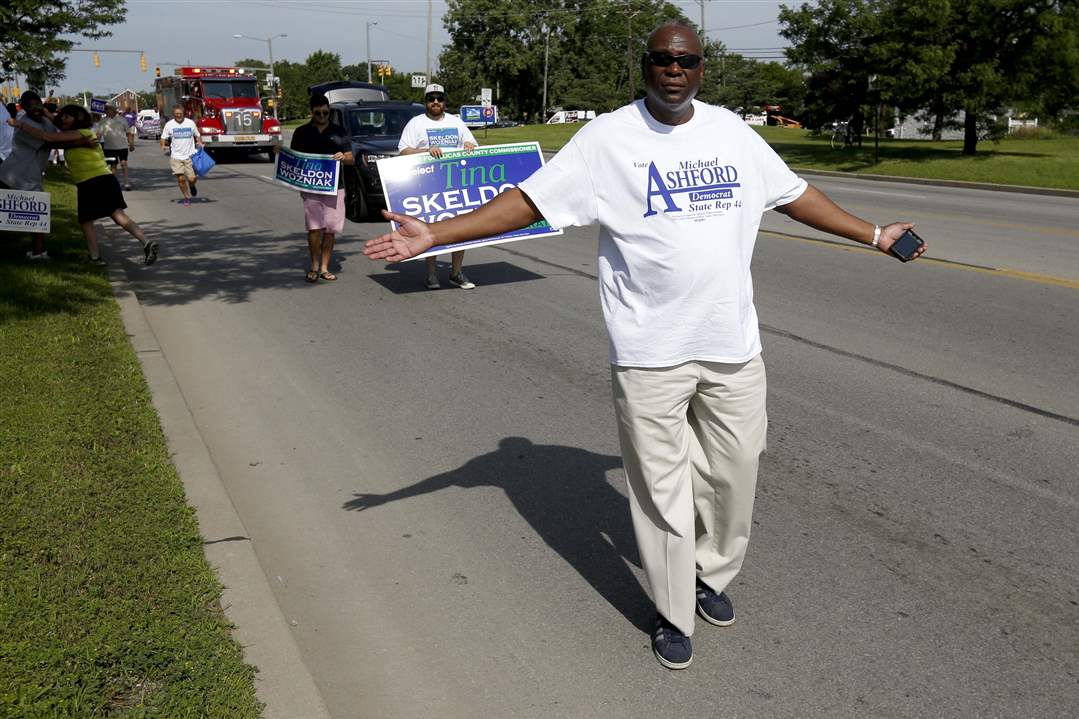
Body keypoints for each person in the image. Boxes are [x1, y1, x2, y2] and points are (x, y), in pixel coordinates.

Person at [364, 22, 927, 670]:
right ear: (645, 66)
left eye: (684, 60)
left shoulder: (730, 134)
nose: (673, 69)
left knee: (735, 472)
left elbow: (795, 196)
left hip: (730, 345)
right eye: (661, 59)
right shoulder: (607, 139)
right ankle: (671, 609)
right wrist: (433, 233)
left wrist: (876, 232)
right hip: (648, 352)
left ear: (701, 69)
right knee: (660, 491)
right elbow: (528, 203)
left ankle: (710, 572)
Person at [12, 104, 157, 265]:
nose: (63, 119)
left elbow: (49, 138)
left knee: (86, 221)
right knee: (118, 215)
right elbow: (58, 128)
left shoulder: (80, 134)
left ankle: (95, 257)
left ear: (78, 119)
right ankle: (146, 242)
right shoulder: (80, 134)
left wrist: (20, 125)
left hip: (90, 182)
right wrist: (47, 113)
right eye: (63, 116)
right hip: (105, 180)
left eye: (68, 116)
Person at [398, 83, 479, 290]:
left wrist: (470, 145)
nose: (435, 102)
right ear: (425, 101)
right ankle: (432, 274)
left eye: (439, 98)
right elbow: (403, 151)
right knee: (432, 228)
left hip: (457, 183)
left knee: (461, 226)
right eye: (431, 98)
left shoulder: (457, 122)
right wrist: (426, 151)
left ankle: (456, 272)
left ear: (444, 101)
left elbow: (473, 146)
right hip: (428, 184)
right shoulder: (415, 123)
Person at [0, 91, 93, 260]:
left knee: (36, 215)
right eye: (30, 106)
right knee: (36, 214)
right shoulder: (25, 124)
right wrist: (82, 141)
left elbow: (59, 129)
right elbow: (51, 140)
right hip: (15, 174)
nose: (35, 109)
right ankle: (38, 252)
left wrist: (48, 114)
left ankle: (38, 252)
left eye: (38, 105)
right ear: (24, 108)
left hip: (30, 173)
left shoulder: (43, 120)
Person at [288, 94, 353, 282]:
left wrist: (343, 157)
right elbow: (294, 159)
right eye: (319, 112)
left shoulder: (339, 132)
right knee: (314, 228)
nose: (323, 115)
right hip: (311, 187)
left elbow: (351, 159)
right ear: (312, 112)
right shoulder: (301, 132)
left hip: (335, 187)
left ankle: (325, 267)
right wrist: (280, 153)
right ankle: (314, 266)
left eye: (326, 112)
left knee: (330, 229)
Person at [160, 104, 203, 206]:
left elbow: (197, 135)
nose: (178, 116)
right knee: (181, 179)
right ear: (173, 114)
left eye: (180, 114)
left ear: (184, 113)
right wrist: (163, 145)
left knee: (192, 179)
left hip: (190, 156)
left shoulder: (190, 123)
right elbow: (163, 138)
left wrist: (199, 142)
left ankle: (192, 186)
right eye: (176, 114)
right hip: (176, 156)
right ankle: (186, 197)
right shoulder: (169, 125)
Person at [98, 105, 133, 190]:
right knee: (113, 166)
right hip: (109, 148)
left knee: (123, 163)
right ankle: (112, 184)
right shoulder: (103, 121)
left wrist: (131, 144)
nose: (106, 111)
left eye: (107, 109)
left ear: (113, 110)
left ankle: (126, 183)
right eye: (105, 110)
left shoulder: (122, 119)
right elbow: (99, 134)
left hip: (122, 147)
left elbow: (128, 133)